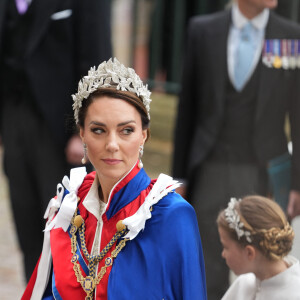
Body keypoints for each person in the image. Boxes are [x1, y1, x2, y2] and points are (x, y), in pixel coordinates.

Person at [21, 58, 207, 300]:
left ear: (143, 136)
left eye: (126, 131)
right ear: (82, 135)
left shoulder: (171, 215)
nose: (111, 145)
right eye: (98, 130)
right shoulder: (69, 205)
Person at [172, 0, 300, 298]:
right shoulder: (202, 31)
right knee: (209, 262)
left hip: (265, 174)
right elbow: (186, 110)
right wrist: (181, 178)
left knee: (266, 265)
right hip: (209, 168)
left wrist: (297, 183)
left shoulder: (290, 37)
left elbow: (298, 116)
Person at [0, 0, 111, 280]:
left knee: (64, 238)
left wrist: (82, 131)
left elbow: (96, 63)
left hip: (61, 132)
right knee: (28, 232)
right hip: (13, 119)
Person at [217, 196, 300, 299]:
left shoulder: (294, 294)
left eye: (226, 247)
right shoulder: (244, 284)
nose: (223, 254)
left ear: (249, 253)